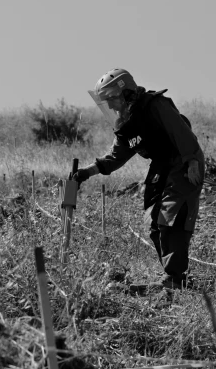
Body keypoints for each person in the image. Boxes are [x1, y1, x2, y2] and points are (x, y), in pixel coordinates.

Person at [73, 68, 205, 290]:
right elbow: (115, 158)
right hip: (161, 165)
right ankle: (172, 275)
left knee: (171, 214)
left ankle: (175, 278)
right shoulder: (127, 124)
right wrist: (86, 172)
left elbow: (181, 131)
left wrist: (192, 161)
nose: (111, 107)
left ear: (124, 93)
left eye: (112, 100)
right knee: (153, 219)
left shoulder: (155, 105)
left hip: (183, 160)